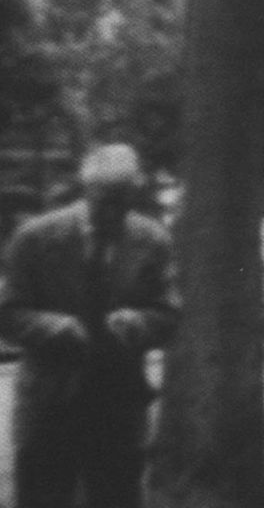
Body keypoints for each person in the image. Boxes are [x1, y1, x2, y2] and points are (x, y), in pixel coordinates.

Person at [0, 144, 178, 508]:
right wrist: (52, 326)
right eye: (105, 200)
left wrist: (138, 322)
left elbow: (169, 313)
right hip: (48, 407)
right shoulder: (34, 239)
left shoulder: (152, 241)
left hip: (118, 409)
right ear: (86, 190)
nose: (113, 212)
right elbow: (8, 312)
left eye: (123, 201)